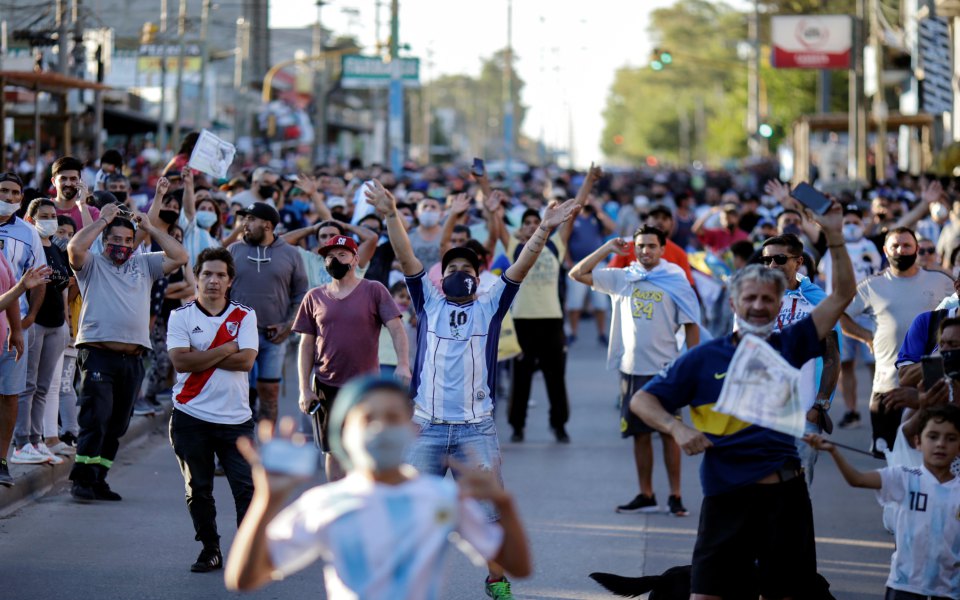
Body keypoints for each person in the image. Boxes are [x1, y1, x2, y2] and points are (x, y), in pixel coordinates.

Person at [630, 199, 856, 599]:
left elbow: (841, 298)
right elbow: (643, 402)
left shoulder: (791, 343)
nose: (758, 306)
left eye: (767, 300)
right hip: (725, 499)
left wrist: (835, 237)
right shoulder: (705, 358)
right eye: (749, 299)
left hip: (785, 498)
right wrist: (676, 427)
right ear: (734, 304)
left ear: (778, 306)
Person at [366, 179, 577, 599]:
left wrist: (545, 229)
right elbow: (406, 255)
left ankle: (496, 582)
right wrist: (391, 215)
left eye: (467, 269)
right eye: (451, 269)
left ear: (478, 276)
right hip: (425, 426)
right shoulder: (426, 299)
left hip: (476, 430)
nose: (459, 273)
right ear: (439, 276)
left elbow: (525, 263)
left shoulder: (492, 303)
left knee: (489, 514)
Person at [223, 378, 532, 598]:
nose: (381, 427)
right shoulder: (325, 503)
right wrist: (266, 499)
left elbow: (518, 566)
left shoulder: (442, 498)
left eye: (393, 417)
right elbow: (244, 578)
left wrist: (503, 503)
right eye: (368, 418)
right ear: (344, 432)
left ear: (413, 430)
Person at [570, 226, 700, 516]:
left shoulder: (675, 279)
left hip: (666, 371)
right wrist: (606, 248)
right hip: (631, 370)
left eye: (652, 246)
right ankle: (646, 494)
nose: (645, 251)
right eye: (640, 246)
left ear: (663, 249)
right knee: (639, 435)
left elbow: (691, 324)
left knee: (669, 434)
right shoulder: (623, 277)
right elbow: (577, 274)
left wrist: (691, 366)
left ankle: (675, 495)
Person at [67, 202, 188, 501]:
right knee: (96, 417)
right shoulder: (92, 263)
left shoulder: (144, 264)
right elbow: (74, 248)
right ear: (105, 240)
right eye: (115, 239)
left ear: (134, 244)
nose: (120, 245)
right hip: (98, 354)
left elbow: (180, 256)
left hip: (132, 358)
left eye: (126, 241)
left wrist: (149, 228)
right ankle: (81, 479)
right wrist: (102, 221)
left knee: (118, 423)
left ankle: (99, 477)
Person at [804, 404, 960, 600]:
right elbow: (857, 479)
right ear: (918, 442)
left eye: (951, 438)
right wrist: (834, 452)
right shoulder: (903, 477)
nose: (941, 444)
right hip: (905, 586)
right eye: (933, 436)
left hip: (950, 590)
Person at [166, 247, 258, 573]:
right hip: (190, 416)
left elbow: (246, 361)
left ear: (230, 280)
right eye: (207, 274)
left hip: (236, 420)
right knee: (198, 489)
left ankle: (247, 552)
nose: (213, 281)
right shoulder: (181, 317)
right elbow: (180, 361)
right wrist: (229, 347)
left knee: (246, 489)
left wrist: (201, 354)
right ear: (196, 278)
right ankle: (210, 548)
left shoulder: (244, 316)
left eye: (220, 275)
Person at [292, 234, 410, 480]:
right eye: (330, 256)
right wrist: (304, 388)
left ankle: (366, 500)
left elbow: (397, 329)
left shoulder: (374, 290)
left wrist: (403, 364)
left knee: (366, 446)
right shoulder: (314, 296)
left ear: (355, 259)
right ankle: (338, 504)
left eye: (341, 255)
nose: (334, 260)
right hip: (326, 385)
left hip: (365, 385)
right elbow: (306, 345)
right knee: (333, 450)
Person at [842, 227, 954, 456]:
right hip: (888, 388)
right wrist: (867, 338)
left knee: (932, 458)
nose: (901, 250)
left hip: (932, 388)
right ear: (885, 250)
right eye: (895, 246)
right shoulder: (871, 285)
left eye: (907, 245)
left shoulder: (940, 281)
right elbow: (841, 314)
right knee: (891, 464)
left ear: (916, 249)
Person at [758, 234, 841, 485]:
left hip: (804, 414)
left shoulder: (817, 301)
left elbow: (831, 357)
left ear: (798, 261)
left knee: (799, 487)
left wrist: (819, 405)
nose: (772, 265)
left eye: (780, 258)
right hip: (761, 412)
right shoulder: (752, 300)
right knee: (761, 487)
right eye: (767, 260)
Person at [228, 201, 307, 423]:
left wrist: (289, 325)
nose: (245, 224)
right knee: (238, 395)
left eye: (251, 219)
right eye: (245, 219)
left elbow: (301, 294)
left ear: (267, 225)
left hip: (274, 336)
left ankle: (265, 450)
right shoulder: (233, 251)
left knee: (270, 395)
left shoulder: (291, 254)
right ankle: (236, 449)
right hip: (237, 337)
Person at [10, 200, 71, 466]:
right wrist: (28, 318)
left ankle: (37, 440)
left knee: (43, 387)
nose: (49, 220)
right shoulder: (28, 245)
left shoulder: (56, 248)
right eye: (43, 216)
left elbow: (65, 283)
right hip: (33, 323)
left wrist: (67, 320)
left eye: (53, 216)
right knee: (27, 385)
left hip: (56, 325)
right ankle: (21, 442)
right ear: (30, 219)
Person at [0, 172, 46, 484]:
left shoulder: (28, 233)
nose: (9, 197)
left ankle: (2, 459)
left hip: (13, 323)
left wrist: (26, 322)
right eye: (3, 190)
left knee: (9, 395)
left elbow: (36, 279)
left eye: (15, 193)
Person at [821, 205, 881, 429]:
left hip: (868, 311)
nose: (852, 227)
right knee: (844, 364)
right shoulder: (833, 249)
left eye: (856, 222)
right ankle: (851, 410)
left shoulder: (870, 247)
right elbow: (825, 275)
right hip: (840, 313)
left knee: (875, 363)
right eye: (848, 223)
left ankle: (879, 409)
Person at [0, 260, 51, 485]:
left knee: (10, 397)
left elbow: (8, 288)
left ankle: (1, 461)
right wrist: (22, 287)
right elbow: (16, 288)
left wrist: (16, 330)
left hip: (4, 338)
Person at [564, 166, 615, 345]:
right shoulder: (574, 217)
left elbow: (611, 228)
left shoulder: (598, 217)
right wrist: (568, 261)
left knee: (600, 303)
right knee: (575, 304)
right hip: (577, 265)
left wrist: (599, 209)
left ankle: (601, 333)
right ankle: (573, 332)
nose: (589, 199)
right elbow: (564, 240)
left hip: (598, 267)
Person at [607, 204, 696, 288]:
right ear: (646, 220)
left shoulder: (679, 253)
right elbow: (609, 278)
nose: (660, 221)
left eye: (664, 219)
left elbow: (687, 286)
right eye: (655, 217)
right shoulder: (628, 247)